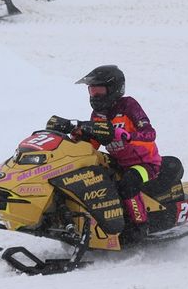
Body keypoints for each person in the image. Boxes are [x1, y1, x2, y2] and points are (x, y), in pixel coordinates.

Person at [48, 65, 162, 234]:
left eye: (98, 91)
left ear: (113, 89)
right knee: (91, 177)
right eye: (91, 91)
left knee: (128, 184)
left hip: (146, 164)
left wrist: (125, 135)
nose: (94, 96)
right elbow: (93, 143)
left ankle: (141, 227)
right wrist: (75, 137)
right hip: (118, 162)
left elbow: (149, 134)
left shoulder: (129, 106)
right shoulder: (97, 114)